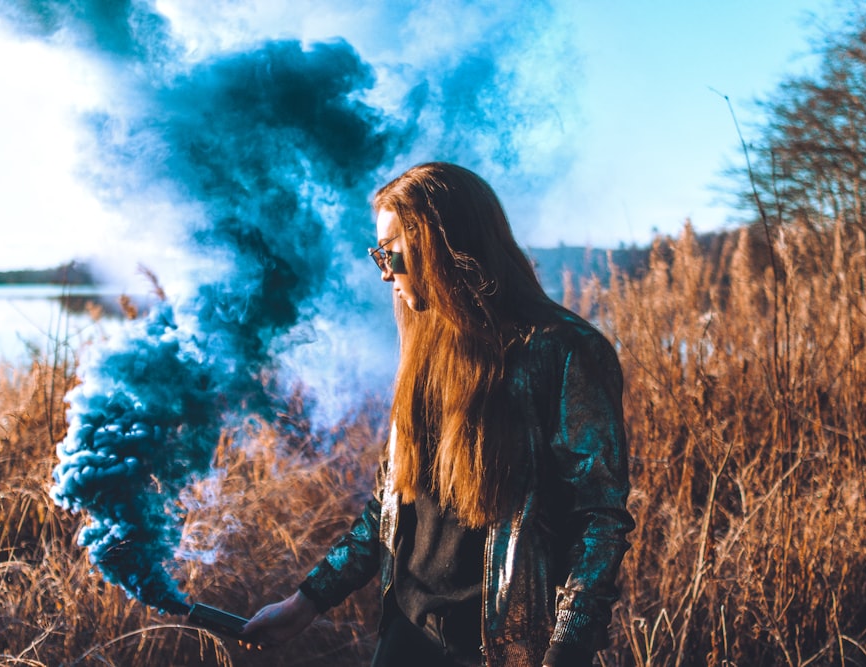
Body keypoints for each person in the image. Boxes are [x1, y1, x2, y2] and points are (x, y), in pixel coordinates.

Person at [242, 162, 634, 666]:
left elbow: (599, 518)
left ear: (438, 248)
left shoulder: (563, 351)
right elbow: (388, 506)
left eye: (391, 253)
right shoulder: (424, 354)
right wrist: (306, 602)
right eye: (376, 255)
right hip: (406, 639)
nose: (384, 271)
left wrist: (567, 649)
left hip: (501, 648)